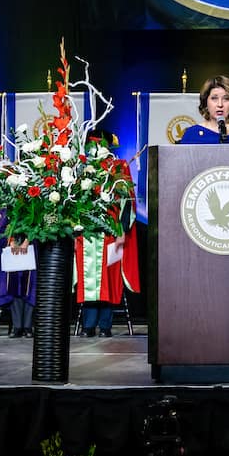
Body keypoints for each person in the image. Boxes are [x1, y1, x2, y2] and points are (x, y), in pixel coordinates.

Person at [75, 131, 141, 337]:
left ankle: (105, 326)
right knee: (89, 280)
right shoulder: (80, 168)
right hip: (86, 233)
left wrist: (122, 231)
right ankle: (88, 326)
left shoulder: (119, 167)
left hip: (111, 231)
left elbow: (128, 201)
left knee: (109, 280)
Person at [0, 209, 36, 337]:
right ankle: (17, 326)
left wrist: (28, 239)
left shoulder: (35, 198)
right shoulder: (3, 205)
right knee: (14, 286)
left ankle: (28, 326)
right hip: (9, 248)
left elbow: (38, 223)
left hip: (31, 247)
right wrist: (9, 240)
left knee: (29, 287)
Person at [177, 75, 229, 144]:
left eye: (226, 99)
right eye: (214, 98)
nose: (220, 104)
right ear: (205, 102)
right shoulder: (192, 134)